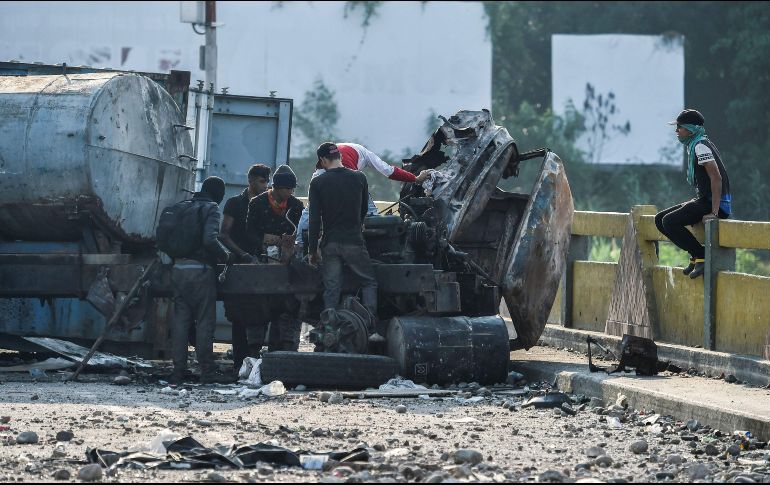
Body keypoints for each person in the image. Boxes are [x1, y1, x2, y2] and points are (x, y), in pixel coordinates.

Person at [296, 142, 434, 247]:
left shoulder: (355, 155)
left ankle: (300, 245)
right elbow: (389, 171)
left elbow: (389, 171)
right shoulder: (326, 171)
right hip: (347, 178)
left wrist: (415, 179)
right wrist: (415, 179)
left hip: (336, 177)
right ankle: (378, 244)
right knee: (370, 213)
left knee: (309, 211)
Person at [170, 176, 233, 385]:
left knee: (181, 321)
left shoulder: (182, 207)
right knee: (205, 321)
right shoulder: (211, 208)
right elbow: (209, 239)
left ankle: (178, 371)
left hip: (178, 269)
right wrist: (226, 256)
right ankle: (207, 371)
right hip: (200, 270)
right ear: (218, 194)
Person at [654, 109, 732, 279]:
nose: (676, 131)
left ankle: (701, 255)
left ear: (690, 129)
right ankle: (696, 254)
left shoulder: (700, 146)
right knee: (659, 219)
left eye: (679, 127)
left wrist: (714, 212)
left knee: (669, 221)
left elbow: (716, 178)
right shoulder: (696, 144)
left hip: (714, 204)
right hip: (704, 200)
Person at [308, 143, 378, 318]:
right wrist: (357, 226)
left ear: (323, 160)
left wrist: (312, 251)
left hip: (330, 244)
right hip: (354, 242)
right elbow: (363, 210)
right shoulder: (359, 178)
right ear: (340, 156)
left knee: (332, 287)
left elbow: (314, 220)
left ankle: (329, 326)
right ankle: (369, 323)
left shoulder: (317, 182)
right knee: (369, 282)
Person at [246, 164, 305, 351]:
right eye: (287, 189)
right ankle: (254, 347)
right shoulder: (257, 203)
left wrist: (291, 245)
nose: (290, 192)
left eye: (292, 189)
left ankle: (283, 347)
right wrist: (263, 242)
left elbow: (302, 232)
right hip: (262, 262)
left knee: (287, 307)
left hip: (287, 265)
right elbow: (249, 232)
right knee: (258, 307)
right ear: (276, 187)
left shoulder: (296, 206)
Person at [219, 164, 270, 371]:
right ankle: (239, 364)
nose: (266, 186)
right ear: (250, 181)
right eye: (262, 181)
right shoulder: (235, 203)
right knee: (238, 316)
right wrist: (243, 254)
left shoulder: (267, 204)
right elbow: (223, 235)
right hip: (240, 266)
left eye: (267, 181)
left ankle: (255, 363)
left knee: (263, 313)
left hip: (260, 266)